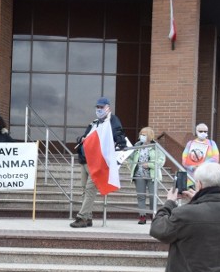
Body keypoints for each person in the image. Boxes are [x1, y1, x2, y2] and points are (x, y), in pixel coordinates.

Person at [70, 97, 126, 228]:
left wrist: (121, 142)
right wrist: (81, 139)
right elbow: (84, 137)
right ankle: (88, 217)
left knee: (90, 189)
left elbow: (118, 132)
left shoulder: (112, 120)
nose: (99, 110)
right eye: (97, 107)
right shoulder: (94, 123)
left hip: (98, 162)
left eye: (101, 107)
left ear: (108, 108)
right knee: (84, 189)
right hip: (85, 160)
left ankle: (82, 217)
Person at [127, 126, 165, 224]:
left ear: (149, 135)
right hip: (139, 175)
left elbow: (161, 160)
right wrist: (133, 167)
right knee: (141, 196)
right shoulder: (137, 145)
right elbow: (130, 157)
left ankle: (153, 215)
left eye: (144, 134)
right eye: (141, 134)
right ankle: (142, 216)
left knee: (153, 196)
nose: (141, 136)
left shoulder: (156, 146)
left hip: (152, 175)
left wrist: (150, 165)